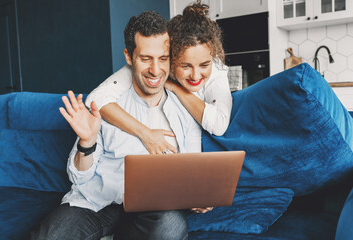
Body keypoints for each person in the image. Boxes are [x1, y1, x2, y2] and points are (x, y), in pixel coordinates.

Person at [30, 11, 209, 240]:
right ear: (128, 56)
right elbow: (79, 178)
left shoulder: (185, 110)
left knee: (169, 228)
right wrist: (87, 141)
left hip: (154, 210)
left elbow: (192, 171)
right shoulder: (105, 106)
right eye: (145, 59)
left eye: (163, 58)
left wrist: (198, 197)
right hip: (98, 204)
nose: (156, 70)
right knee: (50, 236)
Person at [85, 1, 232, 155]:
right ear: (171, 57)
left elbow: (219, 124)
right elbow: (96, 99)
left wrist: (176, 88)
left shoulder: (216, 69)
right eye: (185, 66)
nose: (195, 75)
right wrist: (145, 133)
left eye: (204, 65)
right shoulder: (155, 64)